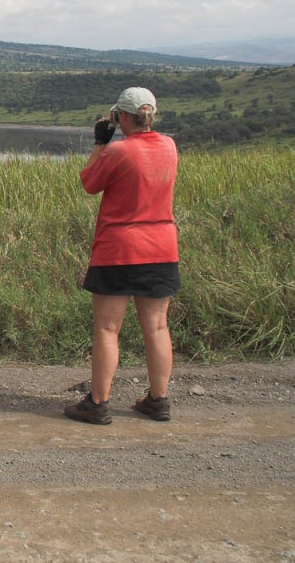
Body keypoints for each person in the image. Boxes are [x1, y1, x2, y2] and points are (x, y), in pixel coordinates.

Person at [64, 86, 179, 425]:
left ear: (123, 117)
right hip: (161, 247)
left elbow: (88, 182)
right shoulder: (170, 147)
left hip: (120, 249)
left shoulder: (118, 152)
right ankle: (158, 400)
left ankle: (98, 402)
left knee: (108, 328)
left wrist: (101, 141)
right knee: (157, 326)